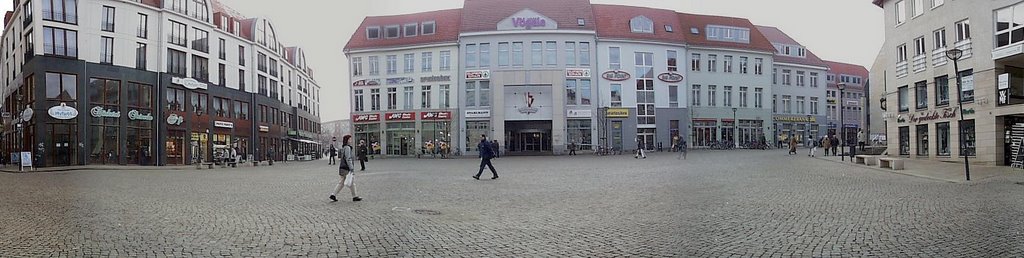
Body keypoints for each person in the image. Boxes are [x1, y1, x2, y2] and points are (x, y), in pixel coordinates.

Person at [329, 135, 362, 202]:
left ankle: (333, 194)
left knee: (341, 182)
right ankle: (355, 196)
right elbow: (348, 158)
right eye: (350, 139)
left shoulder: (344, 148)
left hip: (342, 167)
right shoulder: (347, 148)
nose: (351, 141)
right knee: (351, 182)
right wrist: (351, 168)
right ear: (347, 140)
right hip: (346, 168)